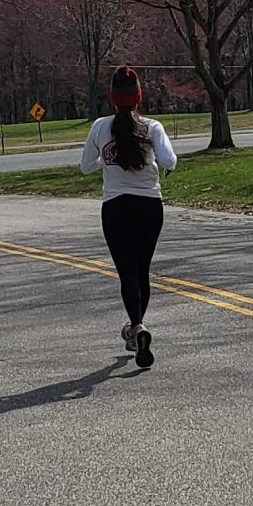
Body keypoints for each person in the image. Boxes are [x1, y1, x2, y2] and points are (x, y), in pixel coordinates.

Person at [79, 66, 178, 369]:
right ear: (138, 97)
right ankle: (138, 327)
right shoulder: (152, 127)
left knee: (127, 273)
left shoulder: (99, 127)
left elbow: (85, 166)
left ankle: (137, 326)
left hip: (116, 207)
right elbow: (169, 160)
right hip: (149, 205)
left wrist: (106, 160)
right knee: (142, 269)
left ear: (112, 99)